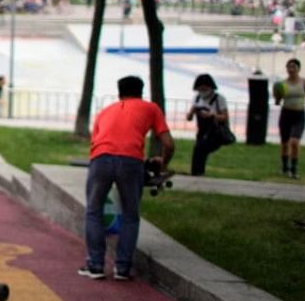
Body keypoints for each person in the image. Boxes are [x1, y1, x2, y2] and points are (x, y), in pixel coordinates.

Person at [81, 76, 175, 281]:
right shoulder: (151, 108)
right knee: (131, 215)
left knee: (93, 211)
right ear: (142, 91)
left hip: (101, 158)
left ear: (119, 92)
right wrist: (163, 164)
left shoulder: (105, 112)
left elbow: (95, 140)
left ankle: (95, 265)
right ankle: (122, 268)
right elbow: (168, 144)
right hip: (131, 161)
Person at [273, 58, 305, 179]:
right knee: (285, 143)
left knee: (295, 142)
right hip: (286, 114)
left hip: (299, 116)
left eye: (293, 67)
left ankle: (293, 169)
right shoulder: (282, 84)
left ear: (298, 68)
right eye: (289, 67)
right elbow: (277, 101)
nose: (291, 69)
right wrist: (277, 96)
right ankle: (284, 168)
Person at [185, 73, 230, 176]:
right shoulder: (197, 98)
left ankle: (198, 173)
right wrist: (192, 112)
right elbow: (189, 117)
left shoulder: (219, 99)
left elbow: (225, 117)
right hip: (202, 132)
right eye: (200, 90)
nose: (203, 92)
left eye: (205, 89)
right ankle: (196, 173)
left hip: (215, 133)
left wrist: (212, 115)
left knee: (201, 149)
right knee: (197, 151)